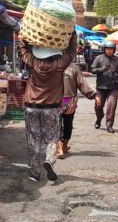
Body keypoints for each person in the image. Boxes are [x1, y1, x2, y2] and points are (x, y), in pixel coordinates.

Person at [18, 33, 77, 182]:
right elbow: (71, 51)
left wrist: (23, 36)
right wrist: (72, 34)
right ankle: (49, 160)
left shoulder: (33, 62)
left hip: (32, 106)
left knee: (34, 139)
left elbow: (23, 50)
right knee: (52, 138)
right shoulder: (60, 64)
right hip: (51, 108)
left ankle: (35, 173)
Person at [57, 63, 96, 159]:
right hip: (54, 99)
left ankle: (64, 145)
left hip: (69, 99)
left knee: (68, 123)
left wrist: (92, 95)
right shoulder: (52, 63)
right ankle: (59, 148)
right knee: (56, 123)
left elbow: (81, 83)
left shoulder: (73, 68)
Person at [91, 41, 118, 133]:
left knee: (112, 106)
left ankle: (109, 125)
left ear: (114, 50)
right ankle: (99, 118)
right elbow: (92, 70)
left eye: (111, 49)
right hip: (101, 87)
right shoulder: (99, 58)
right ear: (104, 49)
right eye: (107, 49)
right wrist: (101, 69)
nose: (109, 51)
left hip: (113, 87)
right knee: (98, 105)